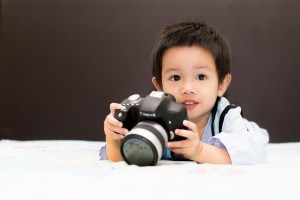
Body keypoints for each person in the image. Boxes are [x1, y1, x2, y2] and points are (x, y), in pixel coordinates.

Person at [100, 20, 269, 165]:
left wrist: (200, 151)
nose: (187, 88)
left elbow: (251, 153)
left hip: (246, 131)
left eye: (201, 76)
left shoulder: (226, 116)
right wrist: (114, 137)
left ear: (221, 85)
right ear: (159, 86)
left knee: (256, 136)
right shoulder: (151, 115)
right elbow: (120, 159)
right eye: (175, 77)